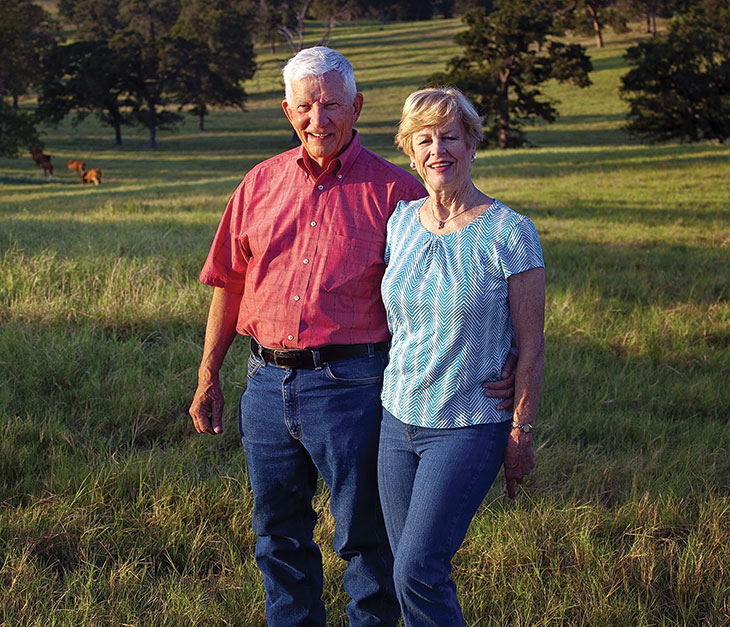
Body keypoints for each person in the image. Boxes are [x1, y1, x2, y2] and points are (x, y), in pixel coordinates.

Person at [189, 47, 516, 627]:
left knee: (367, 539)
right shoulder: (258, 183)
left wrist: (503, 358)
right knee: (277, 534)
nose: (319, 119)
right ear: (287, 110)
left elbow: (459, 286)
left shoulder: (399, 193)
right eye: (306, 106)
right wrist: (208, 373)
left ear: (357, 107)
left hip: (354, 385)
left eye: (332, 105)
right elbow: (227, 282)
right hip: (264, 385)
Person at [377, 87, 545, 627]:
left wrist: (520, 432)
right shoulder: (399, 222)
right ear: (409, 150)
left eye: (449, 136)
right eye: (424, 139)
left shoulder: (510, 233)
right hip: (395, 419)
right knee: (404, 568)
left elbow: (532, 344)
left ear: (471, 144)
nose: (437, 150)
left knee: (418, 570)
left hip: (468, 424)